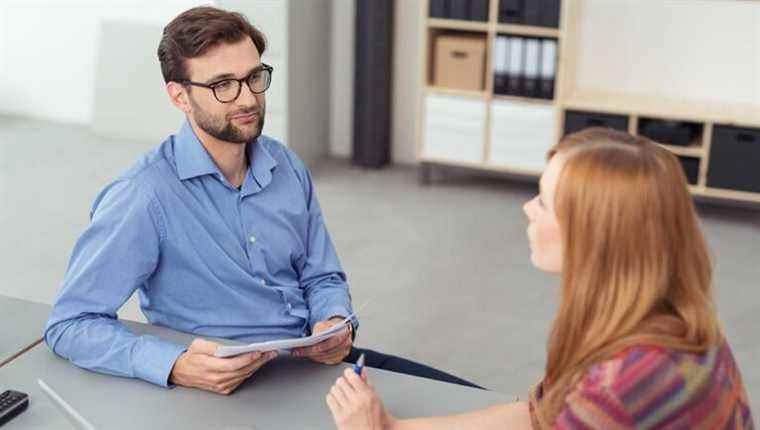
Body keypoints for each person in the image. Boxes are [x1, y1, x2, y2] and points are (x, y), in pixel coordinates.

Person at [44, 6, 475, 395]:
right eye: (223, 86)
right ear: (180, 97)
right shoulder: (143, 195)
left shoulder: (285, 165)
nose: (249, 98)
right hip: (225, 391)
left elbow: (322, 276)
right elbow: (70, 324)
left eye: (254, 77)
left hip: (313, 368)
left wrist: (333, 322)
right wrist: (174, 365)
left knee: (486, 408)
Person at [326, 128, 755, 429]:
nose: (528, 208)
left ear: (594, 236)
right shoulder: (664, 314)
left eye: (545, 203)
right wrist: (396, 429)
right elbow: (539, 414)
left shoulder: (619, 385)